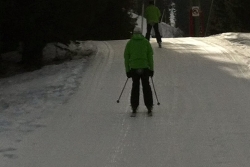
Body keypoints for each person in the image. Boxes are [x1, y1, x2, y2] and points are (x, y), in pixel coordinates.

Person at [124, 26, 154, 117]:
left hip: (134, 68)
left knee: (135, 87)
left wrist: (127, 70)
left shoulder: (129, 43)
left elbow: (126, 58)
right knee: (146, 87)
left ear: (133, 33)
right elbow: (150, 57)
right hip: (145, 67)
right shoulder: (146, 42)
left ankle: (134, 106)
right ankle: (149, 106)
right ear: (141, 33)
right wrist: (151, 69)